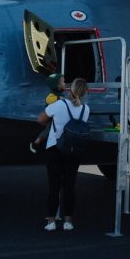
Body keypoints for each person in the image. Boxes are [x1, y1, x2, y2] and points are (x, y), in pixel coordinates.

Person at [36, 77, 89, 231]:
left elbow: (40, 119)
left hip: (55, 148)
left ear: (70, 90)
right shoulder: (86, 109)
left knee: (54, 186)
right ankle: (68, 221)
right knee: (69, 186)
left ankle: (51, 221)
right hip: (74, 150)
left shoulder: (59, 104)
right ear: (86, 92)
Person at [29, 72, 66, 154]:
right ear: (56, 85)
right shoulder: (52, 96)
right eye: (63, 82)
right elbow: (49, 101)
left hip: (57, 118)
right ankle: (35, 143)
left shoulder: (60, 95)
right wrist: (59, 99)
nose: (65, 84)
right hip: (51, 118)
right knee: (48, 131)